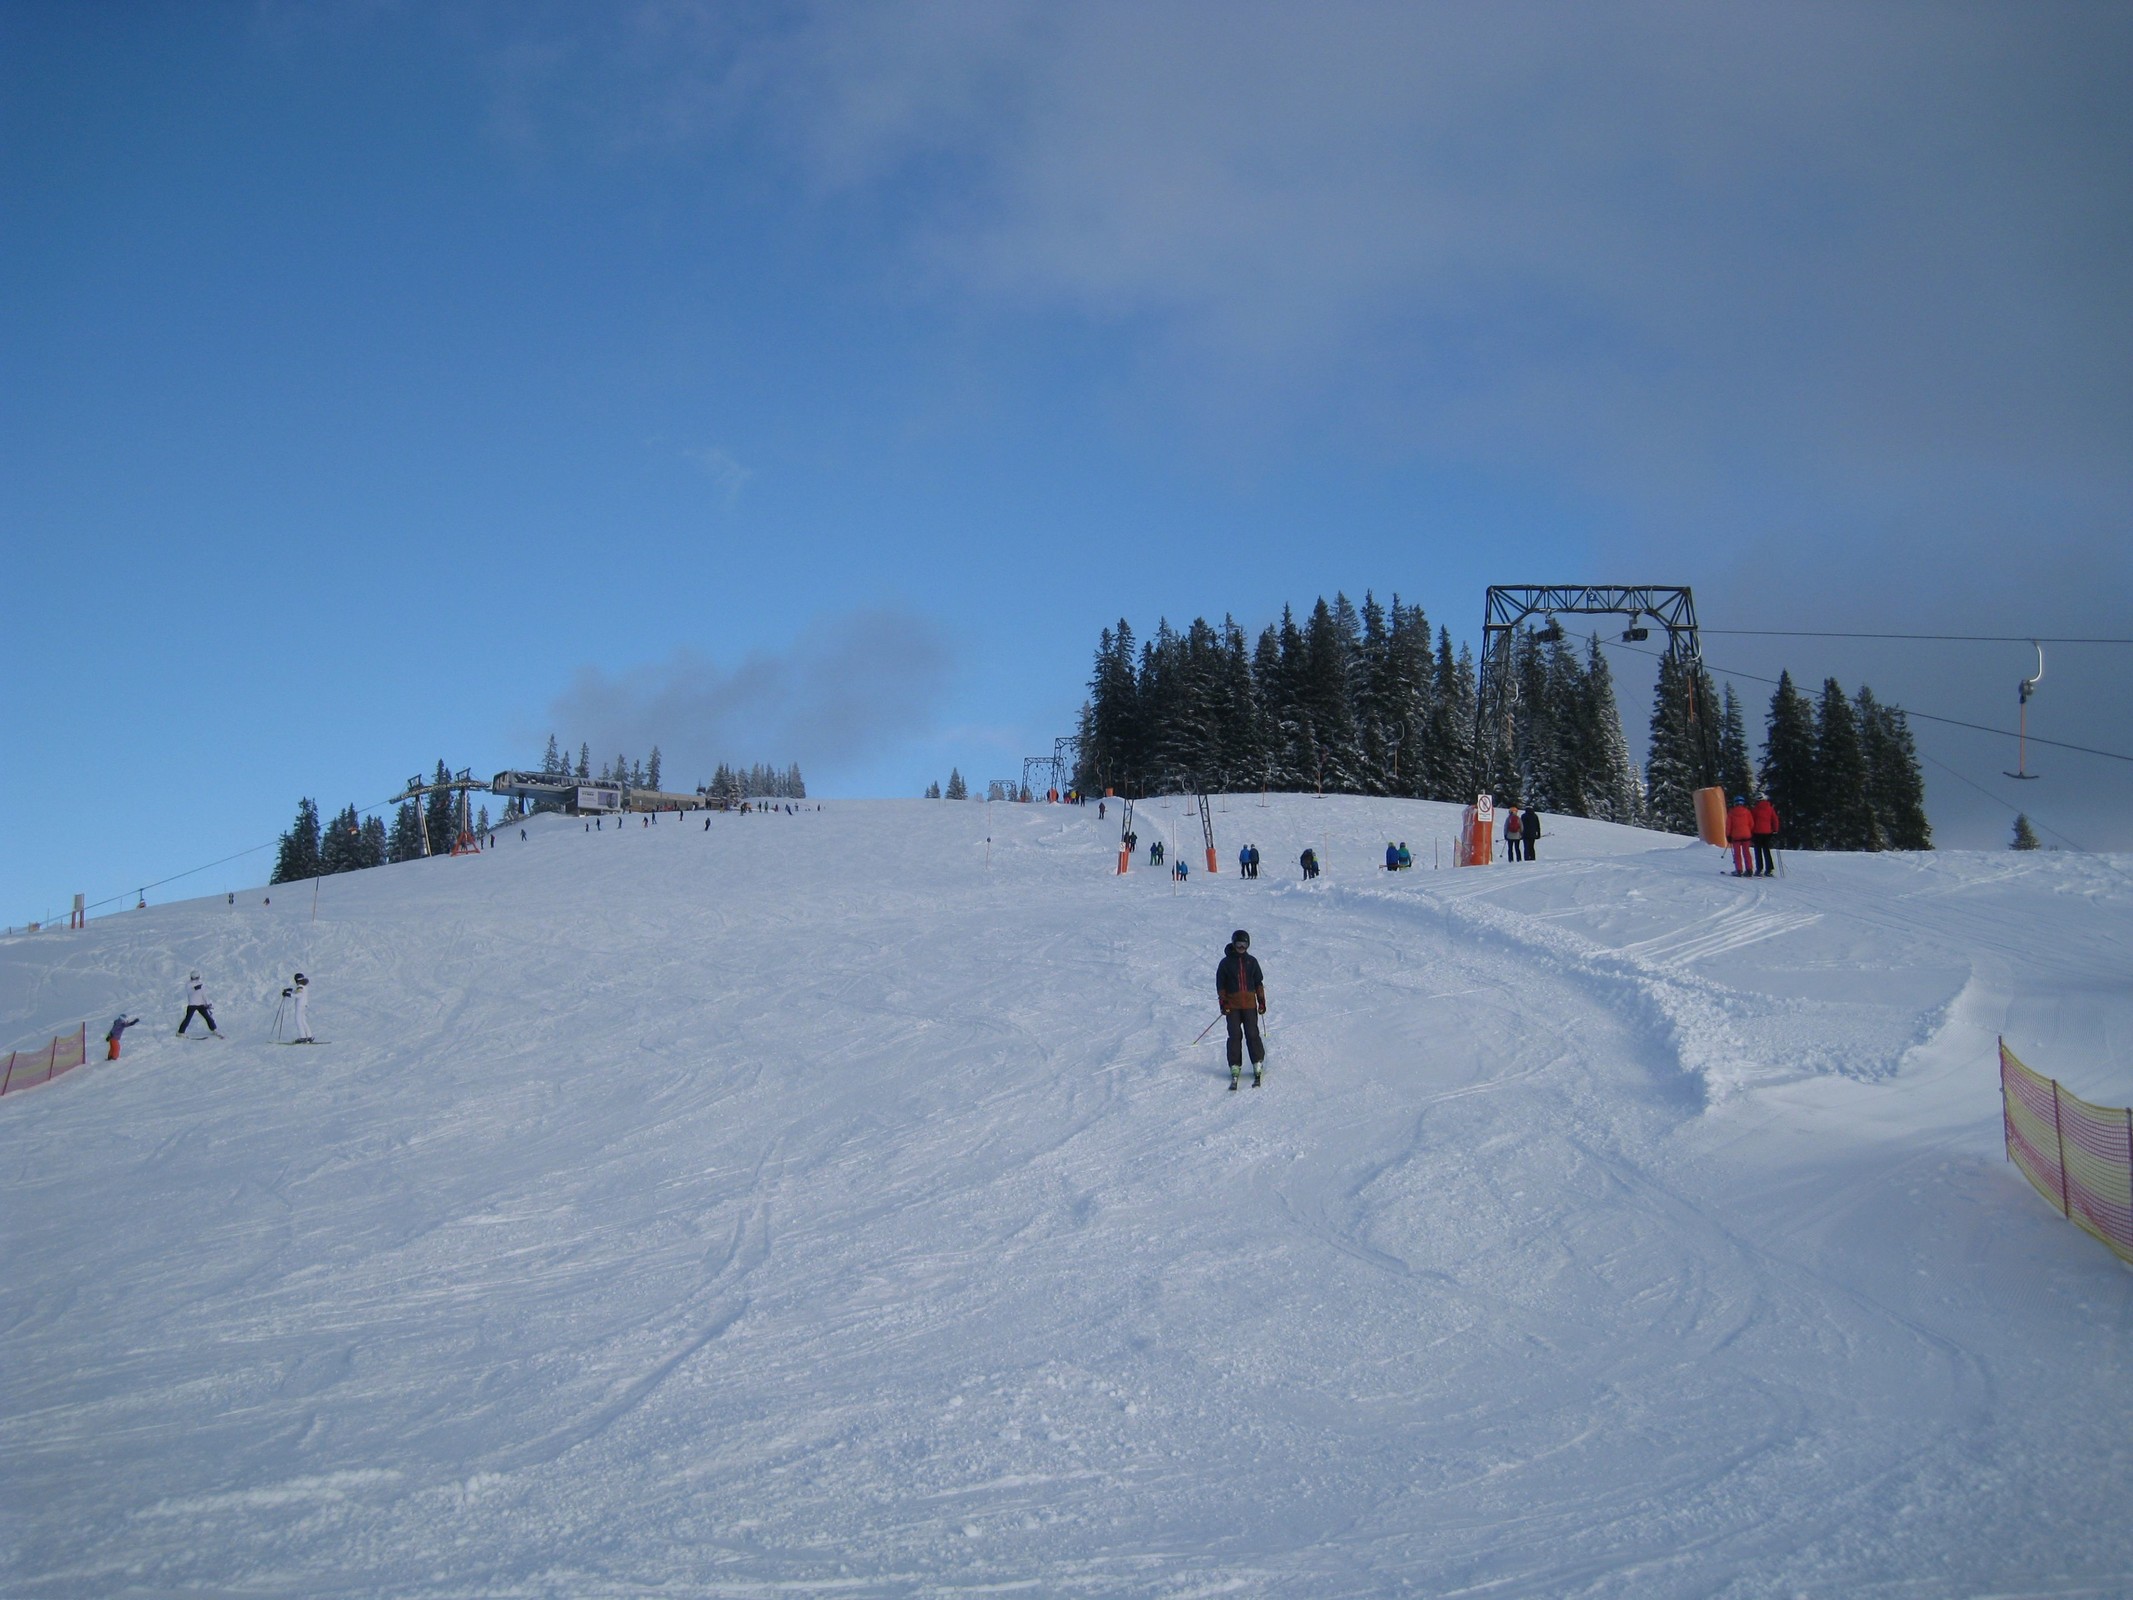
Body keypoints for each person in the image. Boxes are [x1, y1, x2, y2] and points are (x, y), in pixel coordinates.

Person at [1215, 929, 1268, 1089]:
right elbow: (1220, 986)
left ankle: (1257, 1062)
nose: (1241, 947)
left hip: (1250, 1006)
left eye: (1244, 944)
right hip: (1233, 1007)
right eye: (1238, 944)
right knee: (1235, 1035)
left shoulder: (1251, 961)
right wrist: (1223, 1004)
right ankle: (1235, 1065)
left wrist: (1261, 1002)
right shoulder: (1225, 963)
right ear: (1233, 943)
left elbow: (1258, 983)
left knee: (1252, 1034)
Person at [177, 973, 220, 1037]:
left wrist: (207, 1003)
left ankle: (214, 1029)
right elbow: (191, 991)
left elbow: (203, 995)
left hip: (201, 1005)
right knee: (188, 1018)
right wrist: (197, 988)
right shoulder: (188, 984)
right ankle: (180, 1032)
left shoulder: (200, 984)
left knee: (208, 1017)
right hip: (192, 1005)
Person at [1726, 795, 1756, 876]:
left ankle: (1739, 870)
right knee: (1747, 852)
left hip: (1736, 836)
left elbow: (1728, 825)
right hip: (1746, 835)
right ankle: (1749, 869)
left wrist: (1728, 835)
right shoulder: (1747, 812)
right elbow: (1751, 824)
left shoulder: (1731, 813)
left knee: (1737, 853)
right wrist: (1748, 831)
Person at [1750, 795, 1780, 876]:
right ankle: (1769, 869)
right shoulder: (1770, 808)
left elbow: (1751, 821)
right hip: (1767, 832)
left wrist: (1751, 831)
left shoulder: (1755, 809)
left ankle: (1759, 869)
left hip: (1757, 832)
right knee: (1767, 850)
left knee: (1758, 851)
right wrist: (1775, 829)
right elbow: (1775, 819)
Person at [287, 972, 313, 1044]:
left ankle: (303, 1037)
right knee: (303, 1021)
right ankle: (309, 1036)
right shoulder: (304, 986)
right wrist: (290, 990)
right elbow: (298, 991)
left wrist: (289, 995)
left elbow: (299, 994)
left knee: (298, 1021)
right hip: (304, 1005)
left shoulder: (300, 986)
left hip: (300, 1006)